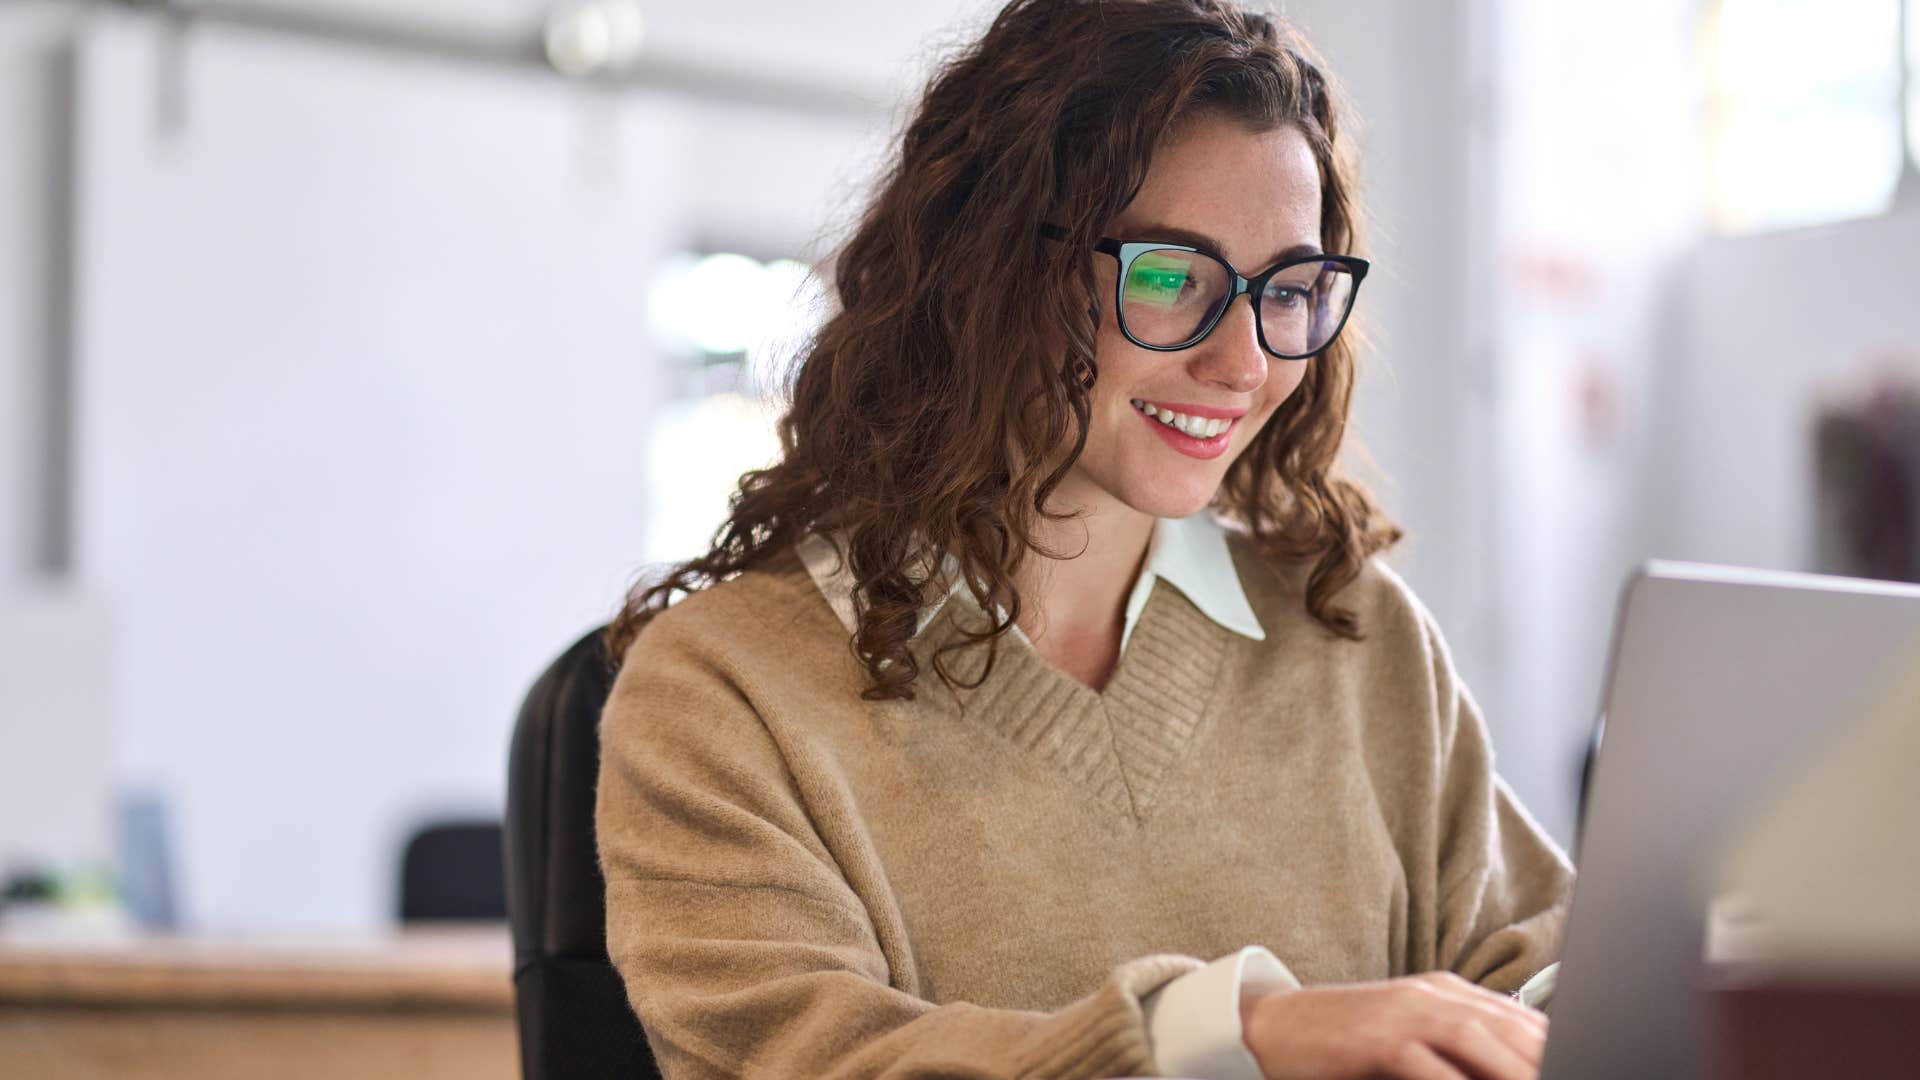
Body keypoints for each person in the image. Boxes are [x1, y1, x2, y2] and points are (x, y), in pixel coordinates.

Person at [595, 0, 1574, 1077]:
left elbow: (1538, 968)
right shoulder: (723, 693)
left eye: (1289, 290)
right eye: (1168, 277)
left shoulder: (1357, 634)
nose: (1245, 363)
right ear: (988, 270)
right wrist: (1230, 1038)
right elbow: (815, 1060)